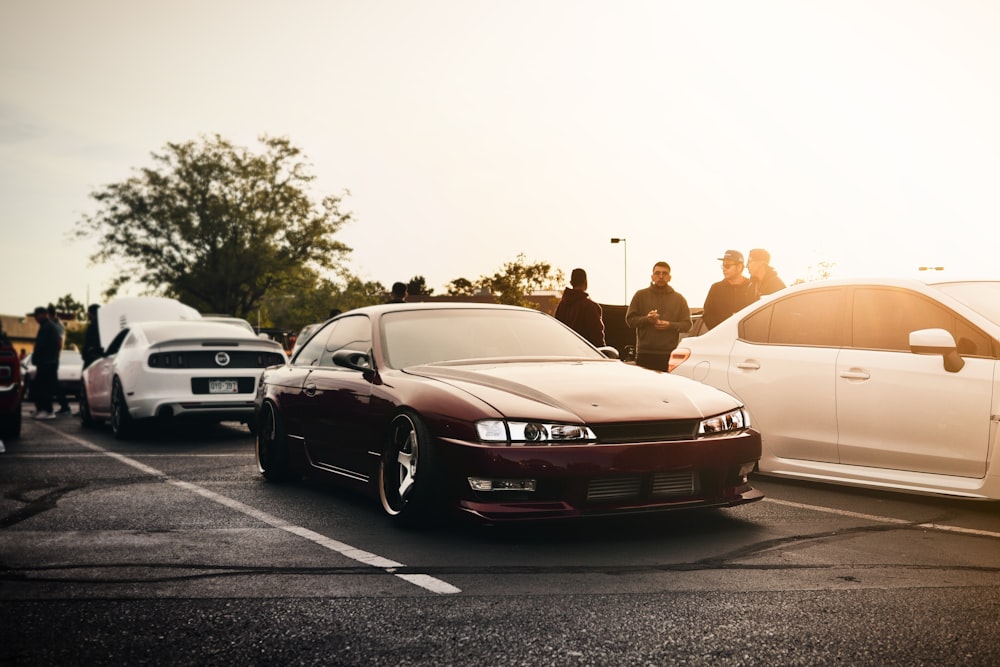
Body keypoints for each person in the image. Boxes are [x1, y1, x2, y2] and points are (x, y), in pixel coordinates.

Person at [625, 262, 692, 371]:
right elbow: (630, 320)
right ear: (652, 276)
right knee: (645, 387)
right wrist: (647, 319)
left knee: (667, 387)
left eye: (665, 273)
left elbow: (687, 325)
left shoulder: (679, 299)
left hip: (669, 354)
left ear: (669, 277)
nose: (661, 276)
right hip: (645, 353)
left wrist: (670, 325)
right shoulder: (640, 295)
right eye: (657, 273)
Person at [702, 250, 755, 331]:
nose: (724, 269)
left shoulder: (752, 287)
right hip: (722, 338)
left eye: (727, 266)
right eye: (723, 266)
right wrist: (720, 330)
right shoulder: (716, 288)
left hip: (746, 339)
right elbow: (708, 314)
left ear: (739, 267)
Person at [554, 268, 606, 347]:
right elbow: (597, 336)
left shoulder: (561, 306)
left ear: (571, 283)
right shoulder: (590, 307)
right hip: (585, 354)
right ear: (586, 282)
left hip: (565, 352)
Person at [31, 306, 61, 420]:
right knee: (41, 386)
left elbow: (41, 345)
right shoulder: (47, 326)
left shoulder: (47, 327)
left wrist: (36, 357)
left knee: (45, 387)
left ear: (43, 314)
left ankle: (47, 410)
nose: (35, 318)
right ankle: (42, 409)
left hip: (47, 362)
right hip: (48, 361)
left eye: (36, 315)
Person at [47, 305, 71, 415]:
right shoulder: (54, 324)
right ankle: (48, 407)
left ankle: (64, 406)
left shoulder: (58, 326)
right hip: (52, 357)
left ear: (51, 315)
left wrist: (55, 356)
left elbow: (60, 342)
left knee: (53, 383)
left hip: (53, 358)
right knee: (51, 383)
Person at [82, 303, 103, 368]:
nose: (87, 315)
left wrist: (88, 351)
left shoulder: (93, 326)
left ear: (91, 313)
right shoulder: (103, 325)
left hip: (92, 360)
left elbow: (90, 343)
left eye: (88, 312)